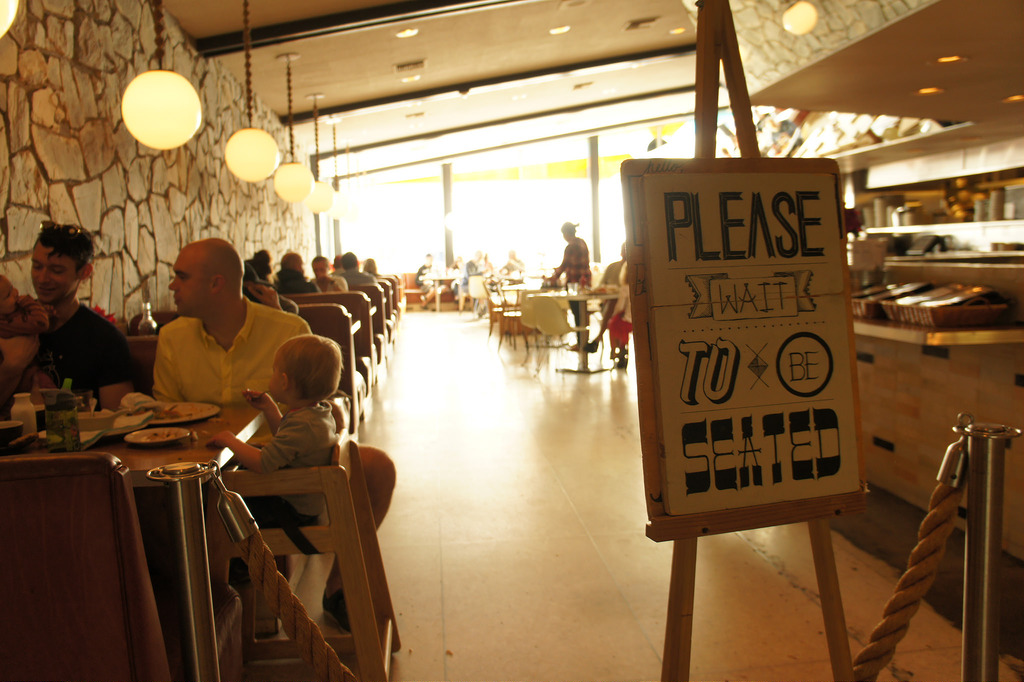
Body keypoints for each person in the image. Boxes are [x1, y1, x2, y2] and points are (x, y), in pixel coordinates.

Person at [207, 334, 358, 628]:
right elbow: (286, 445)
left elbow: (264, 463)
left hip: (292, 512)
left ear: (285, 381)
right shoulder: (315, 414)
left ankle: (237, 571)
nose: (272, 376)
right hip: (302, 503)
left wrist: (230, 440)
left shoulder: (303, 424)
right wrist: (269, 409)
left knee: (221, 508)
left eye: (274, 371)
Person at [0, 222, 133, 411]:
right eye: (37, 266)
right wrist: (11, 368)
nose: (42, 278)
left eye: (56, 270)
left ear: (85, 272)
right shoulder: (10, 324)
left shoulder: (106, 339)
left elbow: (119, 418)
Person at [545, 221, 592, 349]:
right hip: (585, 283)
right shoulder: (582, 243)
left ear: (566, 233)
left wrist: (552, 278)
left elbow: (564, 266)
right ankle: (584, 341)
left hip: (574, 285)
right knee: (583, 312)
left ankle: (580, 343)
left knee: (577, 314)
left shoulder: (570, 247)